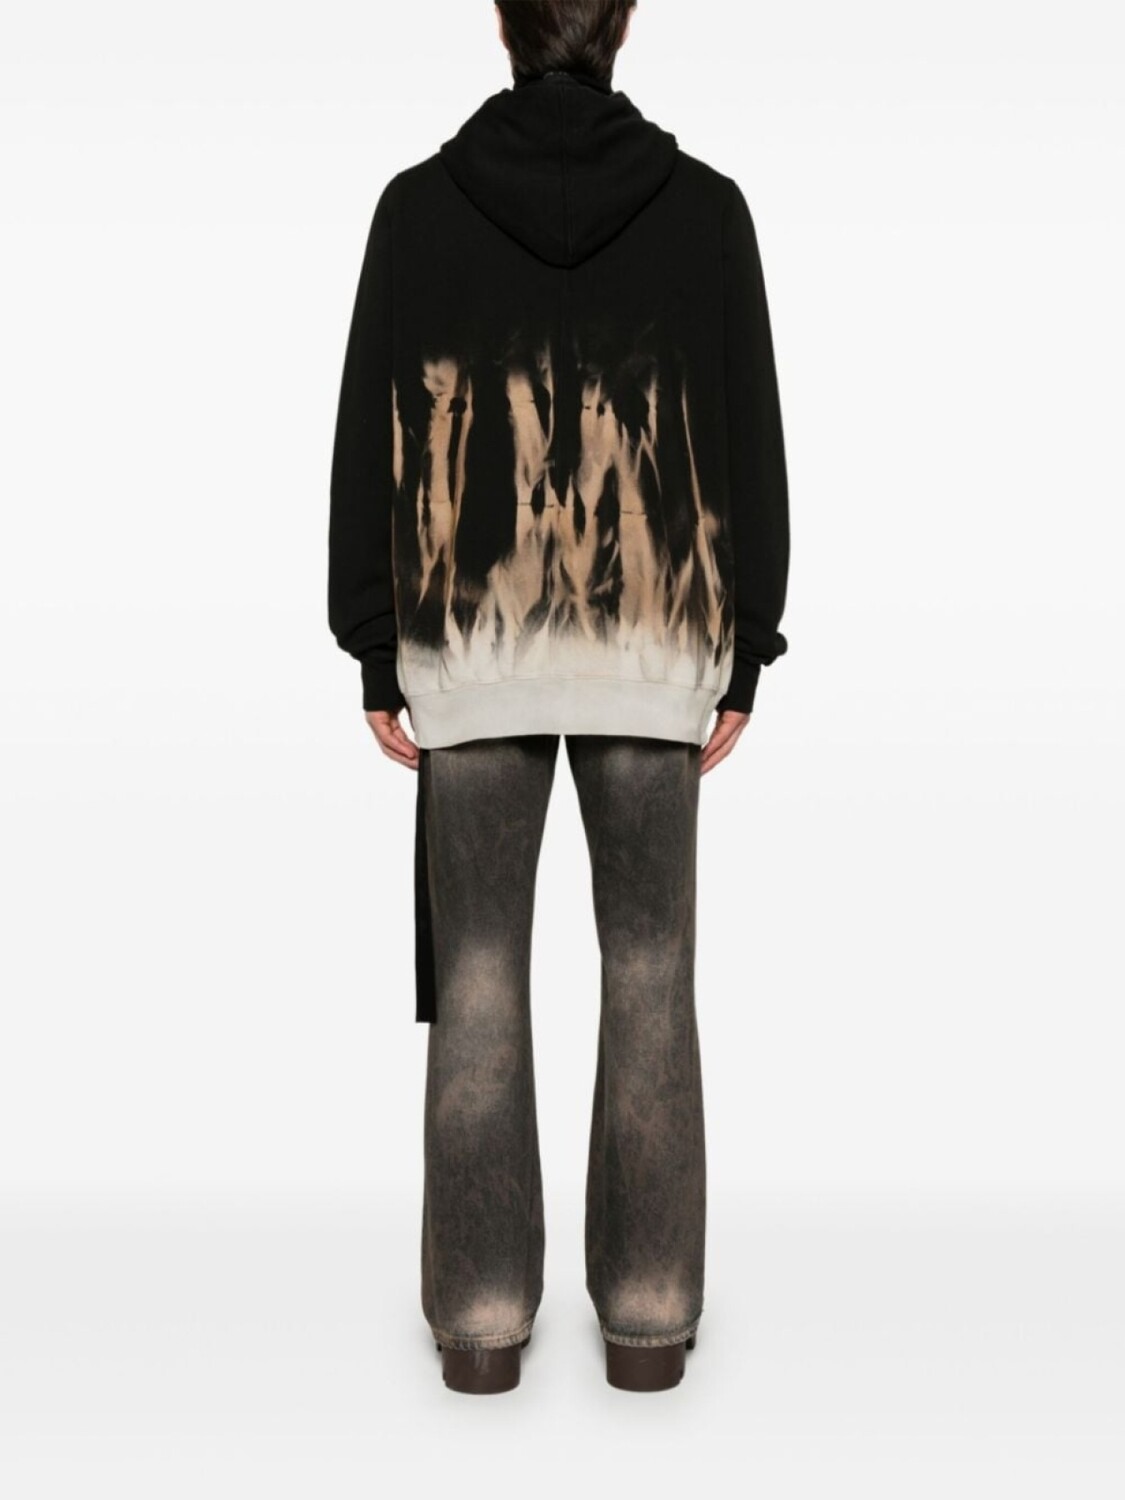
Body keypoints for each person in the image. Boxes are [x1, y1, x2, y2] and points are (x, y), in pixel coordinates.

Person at [327, 0, 789, 1395]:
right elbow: (748, 433)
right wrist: (744, 644)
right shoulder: (707, 213)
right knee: (651, 974)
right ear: (621, 27)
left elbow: (366, 432)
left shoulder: (417, 210)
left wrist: (376, 642)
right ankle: (648, 1320)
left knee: (477, 975)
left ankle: (479, 1326)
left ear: (505, 26)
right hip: (654, 638)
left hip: (471, 642)